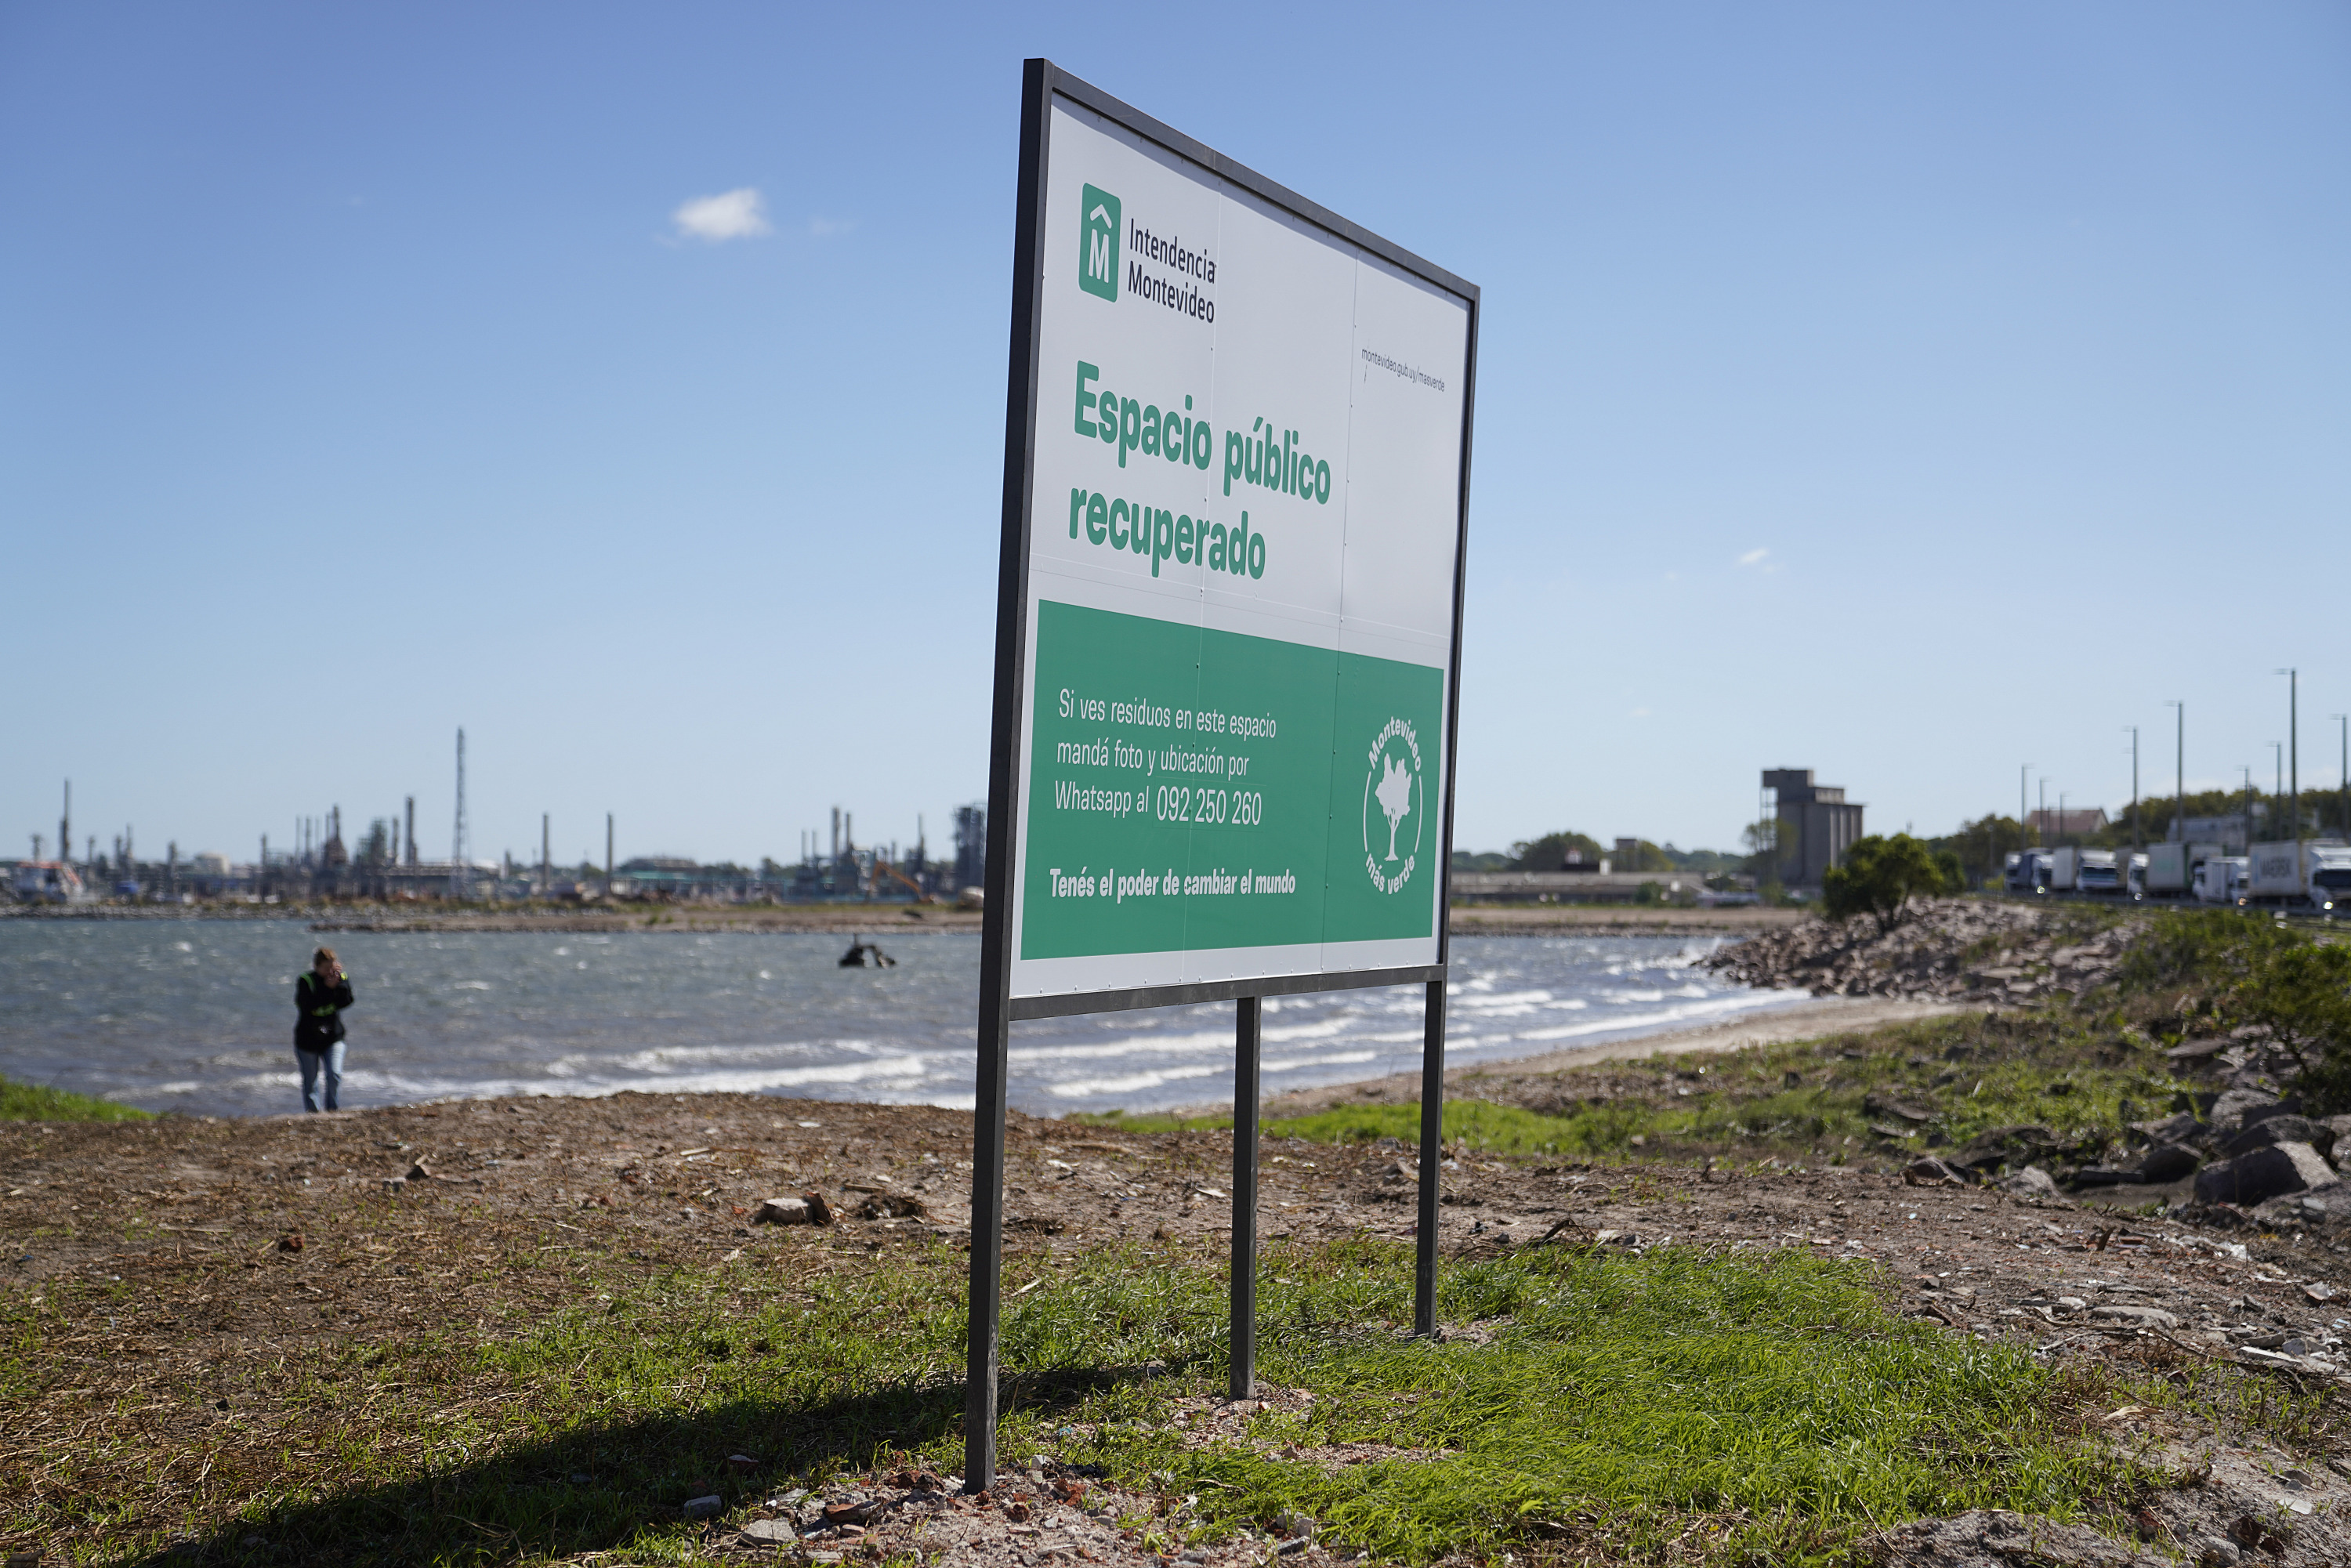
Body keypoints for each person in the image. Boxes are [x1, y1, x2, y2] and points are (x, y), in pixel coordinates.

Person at [294, 946, 355, 1112]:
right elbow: (306, 1006)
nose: (329, 972)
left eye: (332, 967)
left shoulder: (340, 977)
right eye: (325, 968)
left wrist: (338, 983)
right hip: (307, 1040)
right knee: (310, 1081)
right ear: (316, 966)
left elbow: (347, 1000)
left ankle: (332, 1111)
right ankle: (313, 1115)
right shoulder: (306, 980)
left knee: (334, 1074)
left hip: (333, 1037)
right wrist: (327, 989)